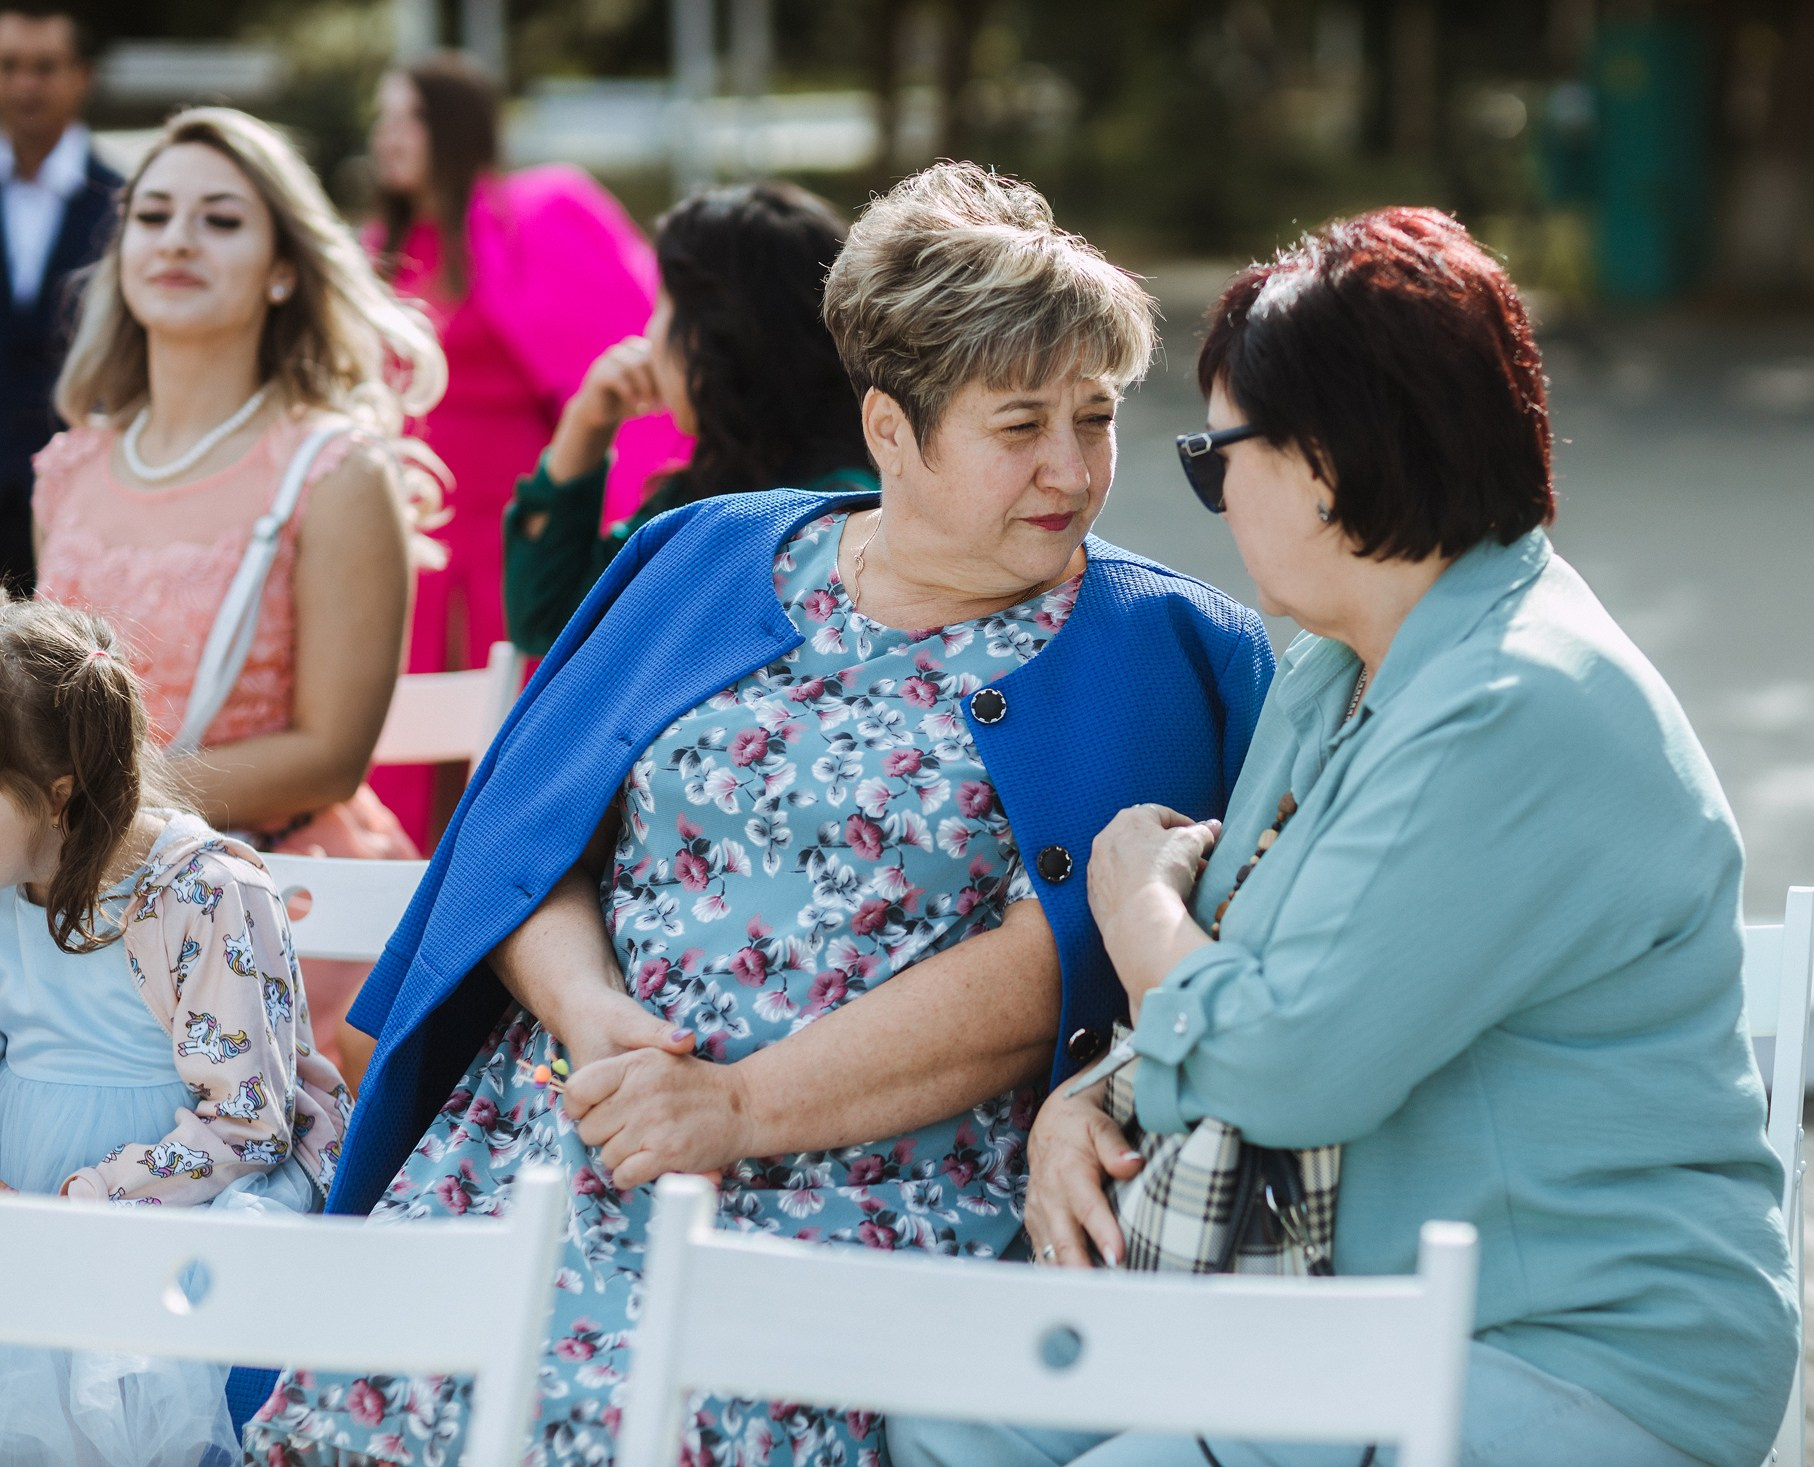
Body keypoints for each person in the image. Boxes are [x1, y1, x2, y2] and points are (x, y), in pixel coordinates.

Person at [243, 162, 1273, 1467]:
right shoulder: (702, 554)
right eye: (1020, 427)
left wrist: (732, 1110)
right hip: (571, 1128)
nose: (1072, 468)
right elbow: (529, 832)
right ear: (893, 431)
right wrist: (590, 1011)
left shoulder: (1151, 642)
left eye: (1097, 414)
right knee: (369, 1408)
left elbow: (1052, 959)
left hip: (856, 1192)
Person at [895, 209, 1800, 1467]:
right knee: (945, 1406)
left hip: (1566, 1355)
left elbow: (1278, 1059)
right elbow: (1263, 966)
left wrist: (1133, 906)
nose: (1207, 503)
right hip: (1341, 1319)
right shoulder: (1342, 670)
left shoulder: (1513, 704)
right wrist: (1088, 1099)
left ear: (1323, 460)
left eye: (1217, 461)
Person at [32, 106, 444, 1089]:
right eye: (153, 215)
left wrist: (95, 809)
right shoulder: (71, 467)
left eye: (220, 220)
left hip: (280, 899)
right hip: (70, 892)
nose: (177, 239)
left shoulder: (337, 471)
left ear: (283, 267)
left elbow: (331, 757)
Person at [0, 600, 348, 1466]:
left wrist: (71, 1209)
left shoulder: (201, 894)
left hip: (159, 1208)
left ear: (58, 794)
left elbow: (247, 1123)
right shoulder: (9, 879)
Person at [366, 52, 686, 843]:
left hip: (509, 525)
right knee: (404, 760)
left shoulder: (535, 220)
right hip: (410, 536)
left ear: (455, 127)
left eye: (408, 116)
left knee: (510, 739)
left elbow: (611, 357)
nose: (388, 135)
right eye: (384, 118)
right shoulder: (378, 249)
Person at [503, 180, 874, 656]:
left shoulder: (833, 512)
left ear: (718, 336)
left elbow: (548, 617)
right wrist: (587, 424)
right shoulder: (702, 492)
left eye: (664, 306)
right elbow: (548, 621)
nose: (649, 336)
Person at [0, 4, 118, 595]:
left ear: (81, 77)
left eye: (44, 66)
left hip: (80, 499)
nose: (25, 84)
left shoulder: (130, 209)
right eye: (9, 65)